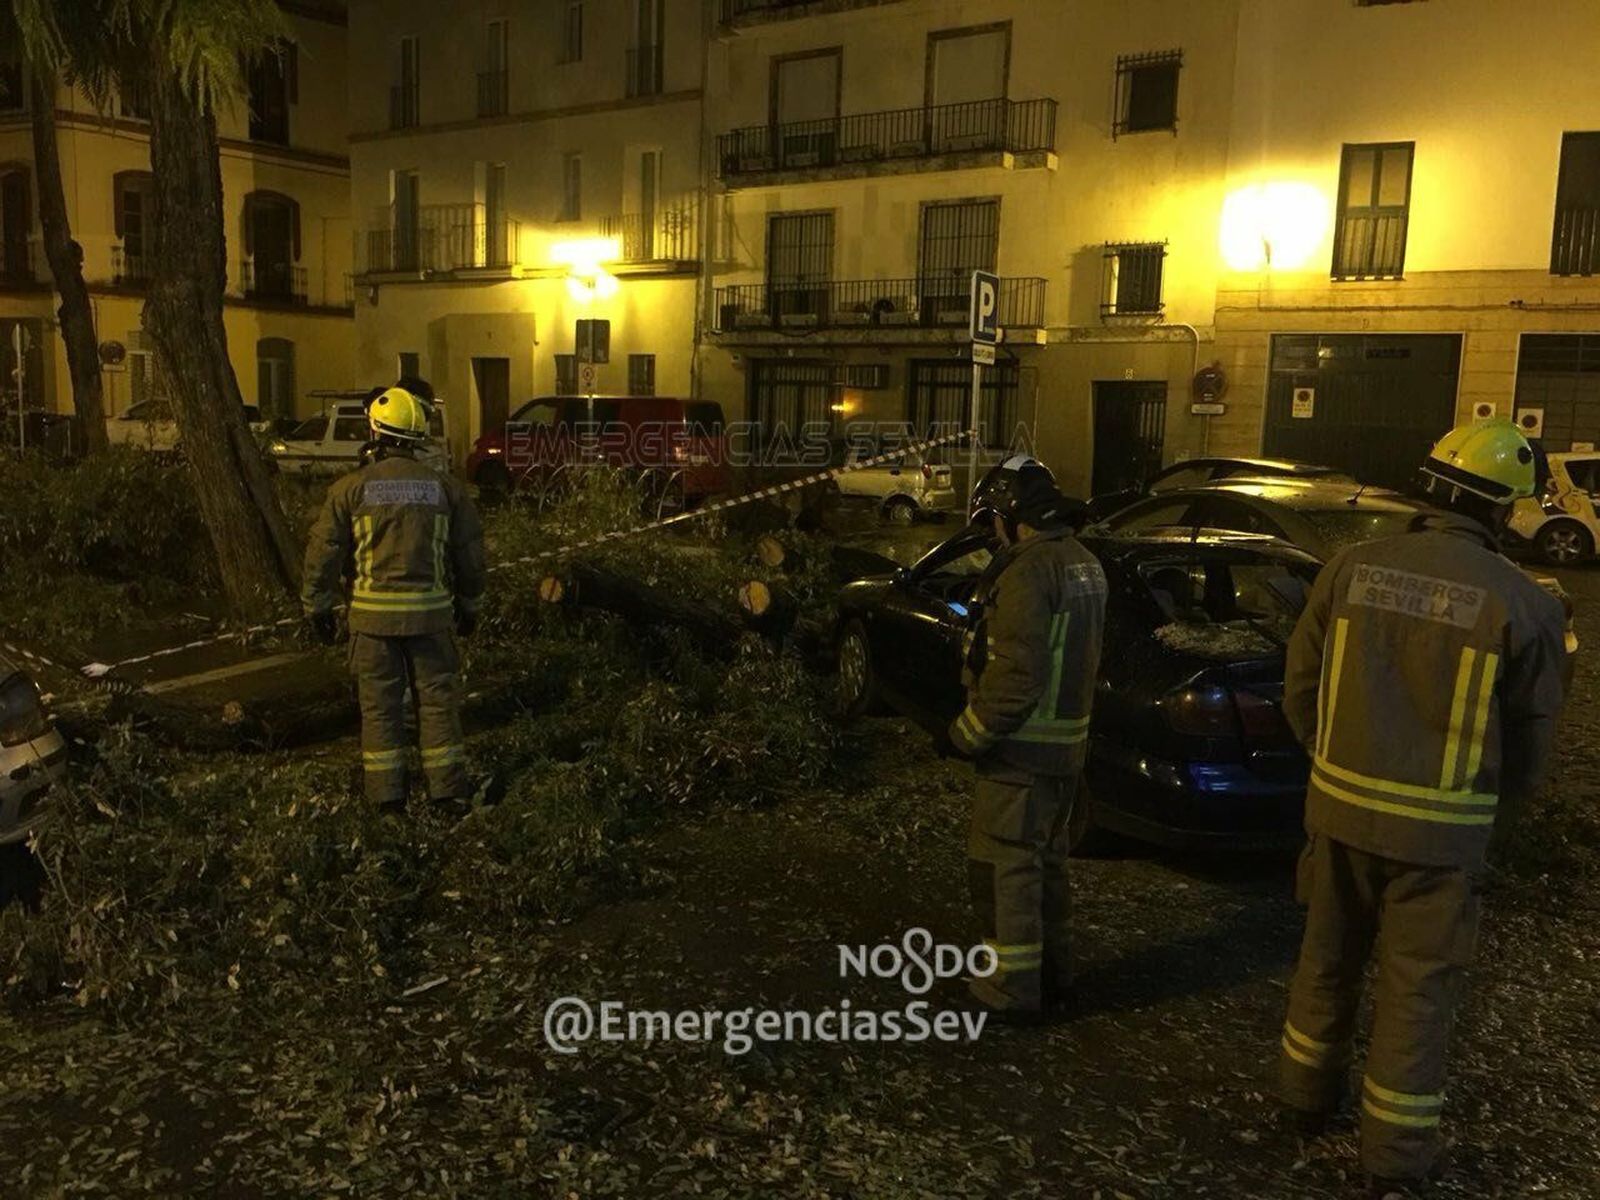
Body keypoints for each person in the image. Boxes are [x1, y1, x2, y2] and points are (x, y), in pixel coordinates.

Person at [1277, 418, 1567, 1197]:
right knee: (1416, 992)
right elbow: (1529, 746)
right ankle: (1393, 1159)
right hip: (1440, 840)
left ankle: (1303, 1100)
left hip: (1339, 814)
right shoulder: (1524, 603)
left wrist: (1332, 766)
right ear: (1501, 508)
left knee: (1325, 958)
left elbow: (1300, 688)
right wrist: (1491, 819)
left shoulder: (1349, 569)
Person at [943, 455, 1106, 1020]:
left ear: (1013, 516)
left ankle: (1008, 989)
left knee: (1003, 869)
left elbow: (1016, 675)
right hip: (1067, 753)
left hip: (1020, 757)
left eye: (993, 520)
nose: (993, 532)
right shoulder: (1084, 563)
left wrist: (966, 735)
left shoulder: (1026, 573)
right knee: (1047, 867)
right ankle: (1055, 975)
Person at [303, 384, 485, 814]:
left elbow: (324, 552)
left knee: (380, 710)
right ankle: (447, 794)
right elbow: (470, 554)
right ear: (417, 436)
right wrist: (470, 605)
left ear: (375, 431)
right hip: (431, 621)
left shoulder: (350, 489)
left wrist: (317, 606)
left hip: (372, 626)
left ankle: (388, 801)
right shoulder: (445, 489)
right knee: (437, 704)